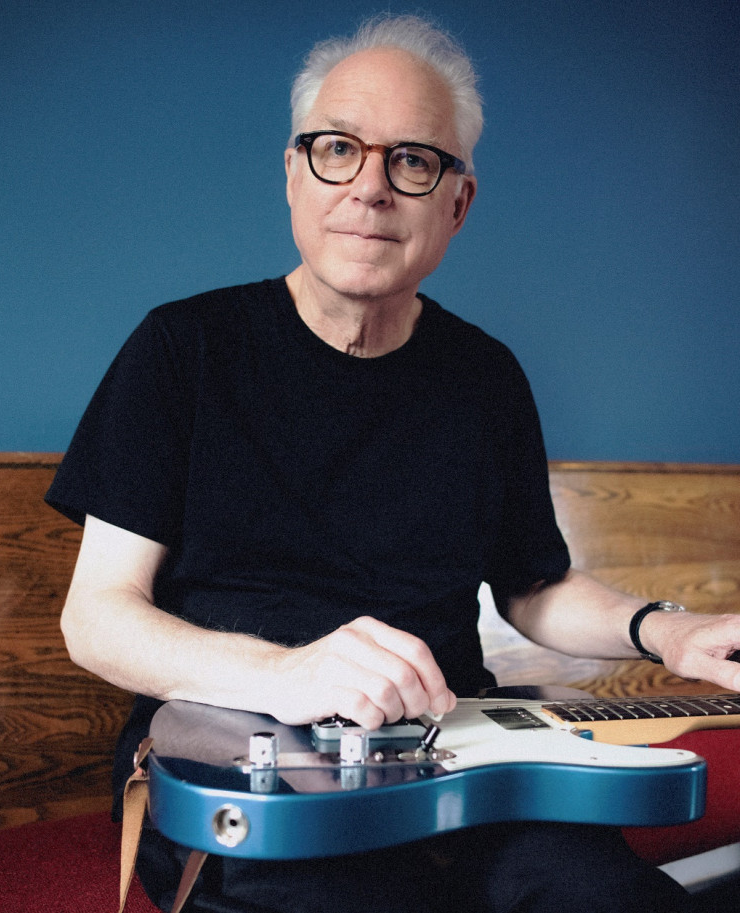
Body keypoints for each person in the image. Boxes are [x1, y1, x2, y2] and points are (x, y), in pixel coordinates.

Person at [46, 14, 740, 913]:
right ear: (294, 174)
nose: (370, 188)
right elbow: (96, 620)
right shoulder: (183, 348)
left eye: (413, 160)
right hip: (242, 764)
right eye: (338, 149)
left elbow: (533, 587)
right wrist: (287, 673)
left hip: (457, 757)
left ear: (458, 202)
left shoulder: (486, 376)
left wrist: (666, 630)